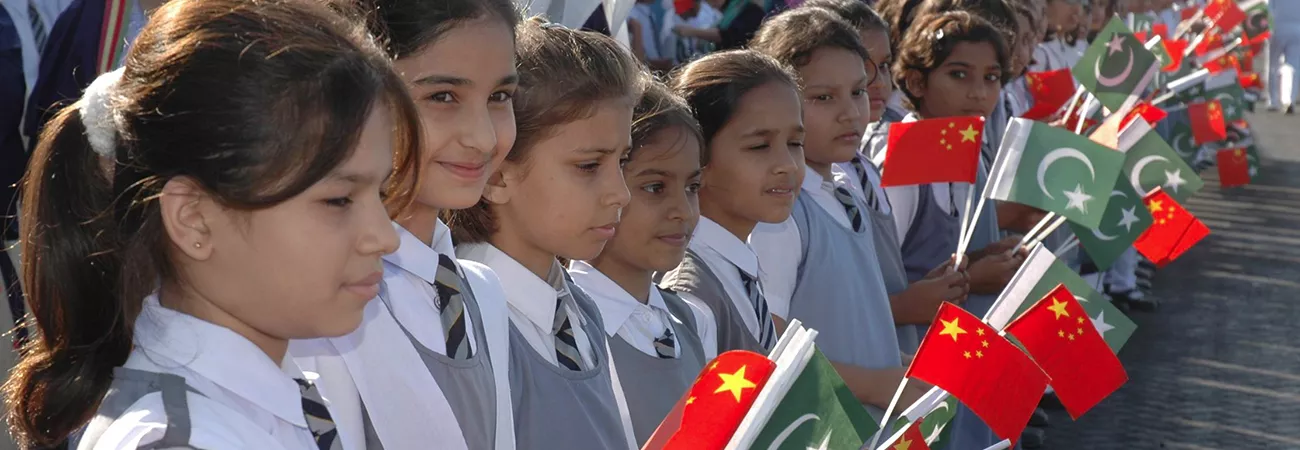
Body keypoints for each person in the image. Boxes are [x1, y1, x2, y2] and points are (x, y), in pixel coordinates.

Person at [2, 0, 422, 447]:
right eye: (338, 200)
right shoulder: (179, 439)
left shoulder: (275, 397)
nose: (384, 238)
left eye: (380, 194)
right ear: (194, 220)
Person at [288, 1, 520, 448]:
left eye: (500, 97)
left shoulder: (483, 293)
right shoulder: (320, 306)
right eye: (443, 97)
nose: (484, 138)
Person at [446, 18, 644, 450]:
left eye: (623, 162)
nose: (621, 193)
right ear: (496, 176)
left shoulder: (581, 309)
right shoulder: (461, 326)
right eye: (588, 166)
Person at [746, 9, 933, 417]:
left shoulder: (845, 189)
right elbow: (768, 345)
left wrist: (898, 365)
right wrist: (875, 385)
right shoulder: (781, 215)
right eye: (823, 98)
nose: (850, 112)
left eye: (858, 91)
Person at [800, 0, 970, 356]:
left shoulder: (854, 172)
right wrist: (905, 305)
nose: (878, 82)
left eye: (883, 66)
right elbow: (804, 324)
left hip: (894, 358)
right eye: (826, 95)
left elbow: (886, 271)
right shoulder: (802, 195)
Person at [887, 10, 1023, 448]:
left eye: (991, 78)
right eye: (959, 75)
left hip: (958, 355)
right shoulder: (905, 159)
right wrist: (972, 278)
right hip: (912, 364)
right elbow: (882, 276)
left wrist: (986, 257)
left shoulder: (967, 151)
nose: (978, 92)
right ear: (916, 82)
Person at [569, 81, 717, 446]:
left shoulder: (694, 319)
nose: (683, 211)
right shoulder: (568, 327)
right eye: (655, 187)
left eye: (692, 187)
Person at [658, 50, 802, 355]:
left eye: (795, 143)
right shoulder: (690, 293)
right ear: (698, 158)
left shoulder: (737, 266)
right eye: (759, 146)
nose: (788, 164)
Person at [670, 0, 766, 50]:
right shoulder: (728, 13)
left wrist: (692, 32)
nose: (712, 5)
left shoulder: (747, 10)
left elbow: (728, 36)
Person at [1266, 0, 1300, 113]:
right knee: (1295, 67)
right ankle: (1290, 100)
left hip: (1278, 28)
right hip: (1297, 29)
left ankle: (1274, 101)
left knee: (1273, 66)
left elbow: (1269, 10)